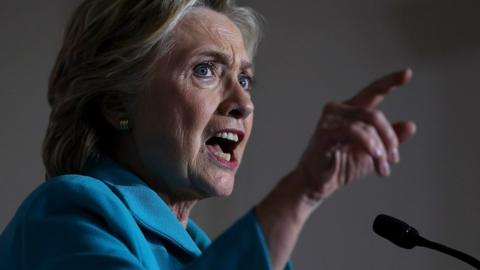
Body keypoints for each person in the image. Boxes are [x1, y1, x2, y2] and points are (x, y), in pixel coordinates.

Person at [0, 0, 416, 269]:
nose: (243, 103)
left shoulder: (202, 253)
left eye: (246, 80)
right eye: (205, 70)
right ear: (117, 103)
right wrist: (300, 192)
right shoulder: (65, 214)